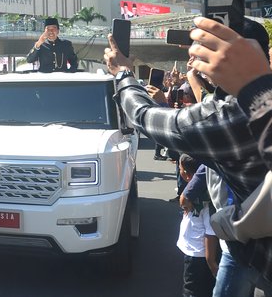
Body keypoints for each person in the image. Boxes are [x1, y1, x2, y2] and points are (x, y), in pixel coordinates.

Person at [104, 17, 271, 296]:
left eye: (205, 50)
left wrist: (122, 73)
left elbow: (144, 117)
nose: (197, 60)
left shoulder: (225, 117)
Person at [176, 154, 219, 297]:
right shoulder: (195, 195)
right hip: (193, 251)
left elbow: (210, 233)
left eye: (180, 168)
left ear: (187, 175)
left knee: (192, 290)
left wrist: (211, 261)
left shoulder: (205, 201)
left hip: (199, 255)